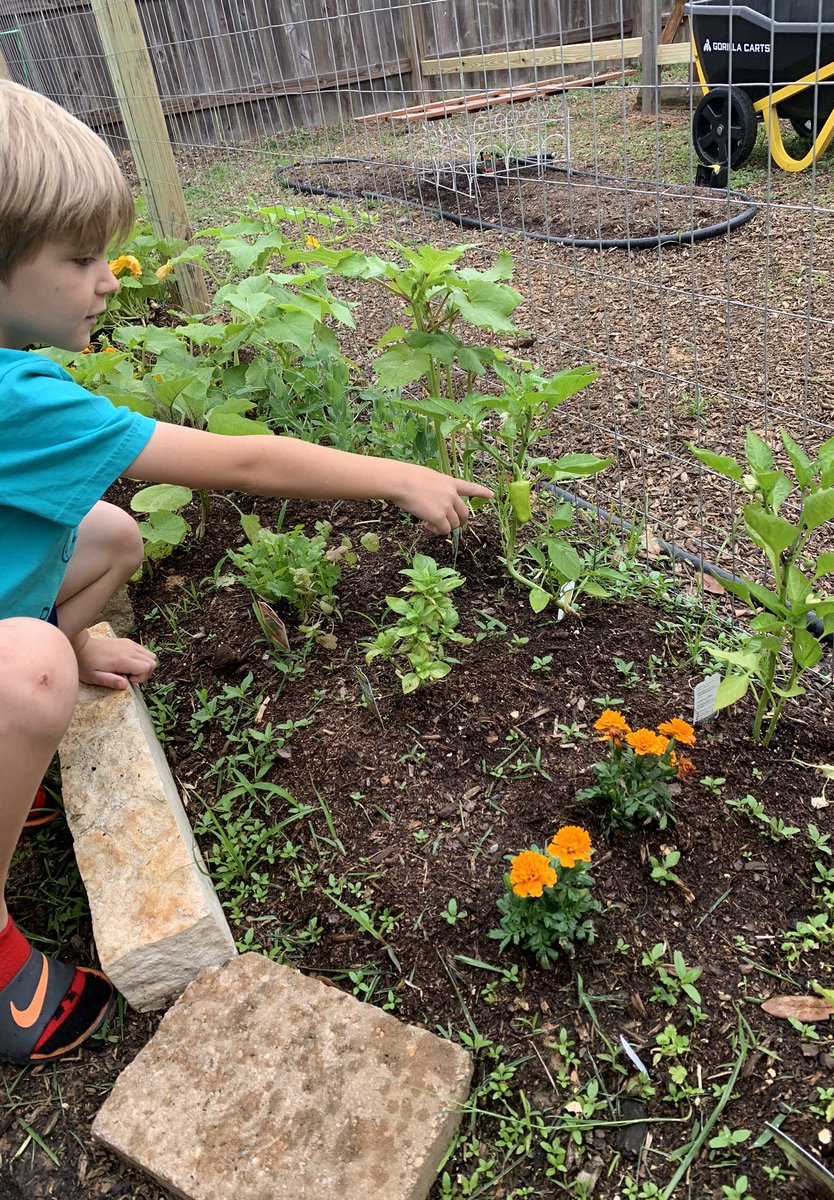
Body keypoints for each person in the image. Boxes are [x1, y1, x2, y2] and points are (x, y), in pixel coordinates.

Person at [0, 78, 491, 1063]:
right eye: (82, 258)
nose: (109, 279)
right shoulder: (22, 404)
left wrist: (77, 630)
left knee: (109, 539)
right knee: (31, 669)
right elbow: (245, 461)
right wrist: (397, 475)